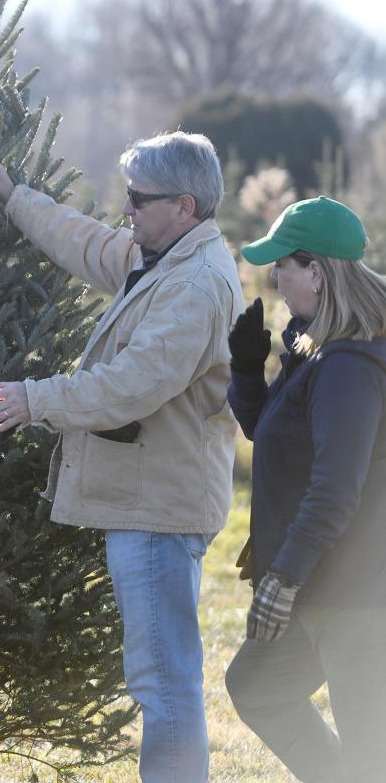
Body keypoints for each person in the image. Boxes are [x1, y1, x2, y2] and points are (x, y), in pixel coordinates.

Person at [0, 132, 244, 783]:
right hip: (148, 497)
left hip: (158, 509)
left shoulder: (195, 286)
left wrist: (33, 399)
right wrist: (12, 196)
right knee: (161, 672)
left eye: (137, 198)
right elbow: (84, 240)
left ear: (182, 204)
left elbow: (129, 386)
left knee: (162, 680)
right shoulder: (161, 256)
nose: (125, 208)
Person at [222, 196, 386, 783]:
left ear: (315, 271)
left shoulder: (350, 366)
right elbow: (273, 434)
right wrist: (246, 370)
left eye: (282, 265)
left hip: (356, 594)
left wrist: (283, 578)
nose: (274, 276)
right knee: (255, 685)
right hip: (318, 583)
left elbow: (335, 489)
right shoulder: (313, 347)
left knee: (373, 747)